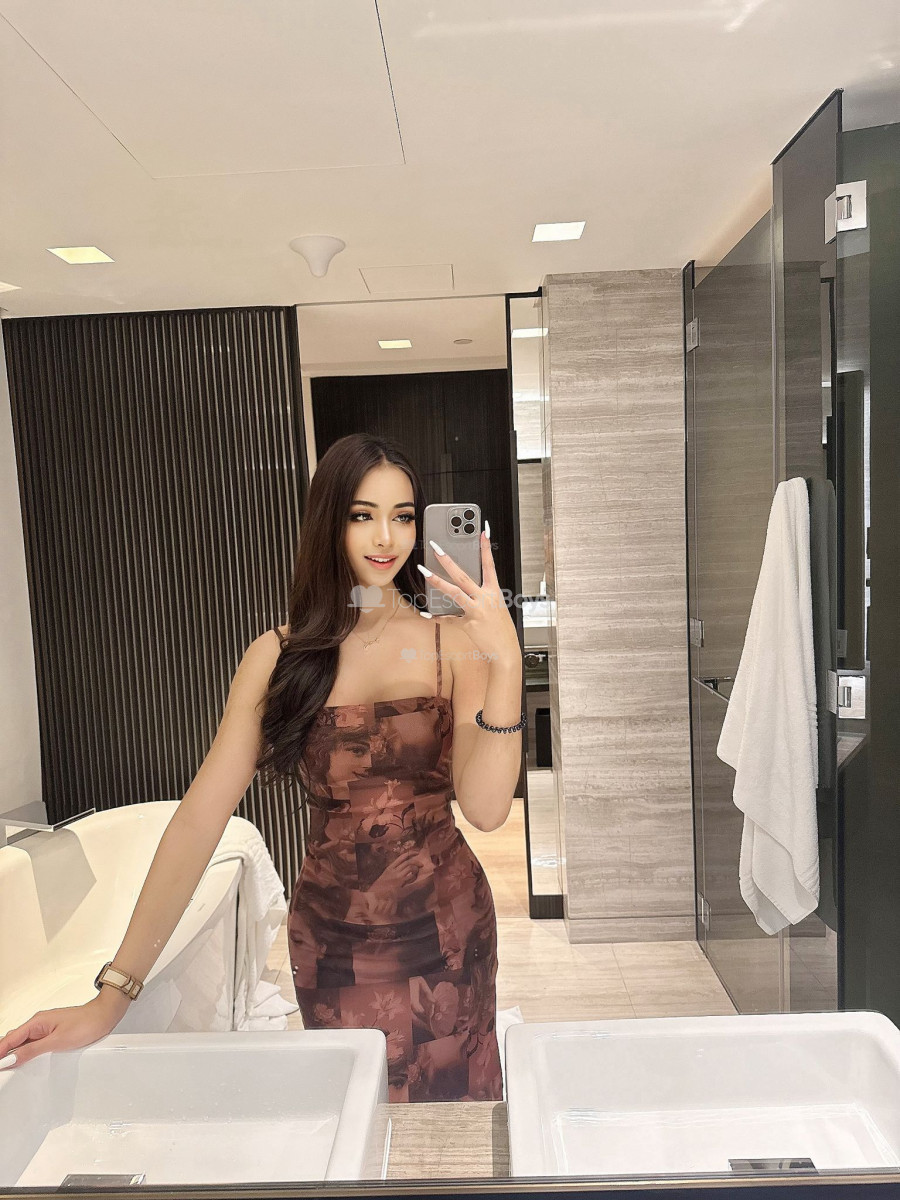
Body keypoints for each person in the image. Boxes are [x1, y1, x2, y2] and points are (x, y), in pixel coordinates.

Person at [0, 433, 524, 1103]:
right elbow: (198, 822)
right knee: (357, 1118)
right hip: (333, 944)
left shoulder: (453, 644)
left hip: (447, 934)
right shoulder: (278, 657)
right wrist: (113, 994)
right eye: (362, 515)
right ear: (329, 522)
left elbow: (486, 809)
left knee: (453, 1124)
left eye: (401, 516)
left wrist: (506, 663)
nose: (385, 537)